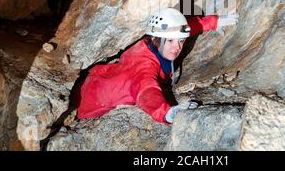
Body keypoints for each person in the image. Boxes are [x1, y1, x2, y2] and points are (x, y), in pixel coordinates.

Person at [77, 7, 238, 124]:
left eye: (180, 41)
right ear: (157, 39)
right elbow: (147, 91)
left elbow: (187, 28)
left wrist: (214, 22)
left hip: (101, 80)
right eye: (170, 41)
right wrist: (167, 113)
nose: (177, 47)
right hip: (91, 105)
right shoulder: (143, 65)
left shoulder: (155, 43)